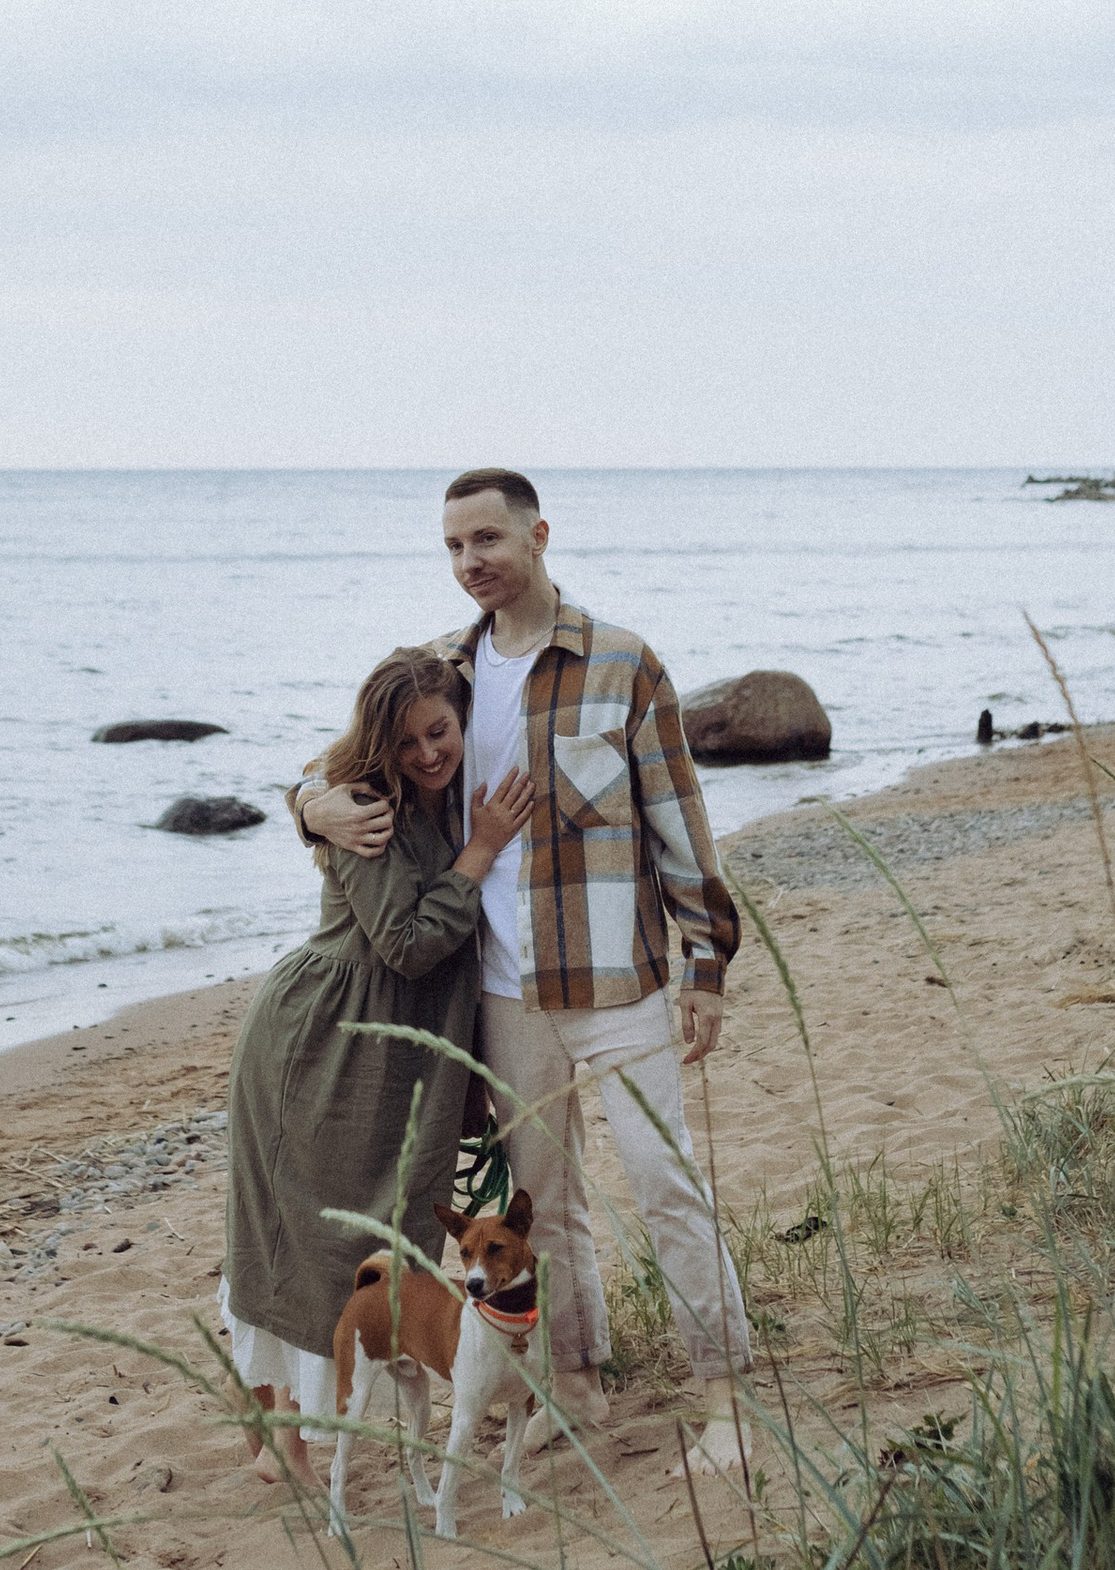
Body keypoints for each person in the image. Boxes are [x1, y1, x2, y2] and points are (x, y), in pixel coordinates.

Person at [295, 468, 754, 1481]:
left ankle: (725, 1403)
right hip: (502, 996)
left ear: (538, 534)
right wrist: (307, 803)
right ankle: (575, 1386)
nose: (472, 563)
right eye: (455, 546)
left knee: (664, 1183)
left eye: (489, 539)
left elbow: (680, 820)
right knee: (545, 1204)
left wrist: (706, 964)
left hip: (616, 983)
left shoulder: (622, 664)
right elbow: (353, 759)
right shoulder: (446, 673)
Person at [222, 646, 531, 1484]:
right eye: (407, 743)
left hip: (391, 1052)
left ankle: (283, 1436)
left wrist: (302, 803)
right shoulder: (365, 805)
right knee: (306, 1239)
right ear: (380, 746)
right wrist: (481, 850)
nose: (429, 753)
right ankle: (280, 1442)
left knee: (361, 1230)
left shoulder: (445, 791)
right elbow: (407, 941)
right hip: (322, 1040)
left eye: (441, 731)